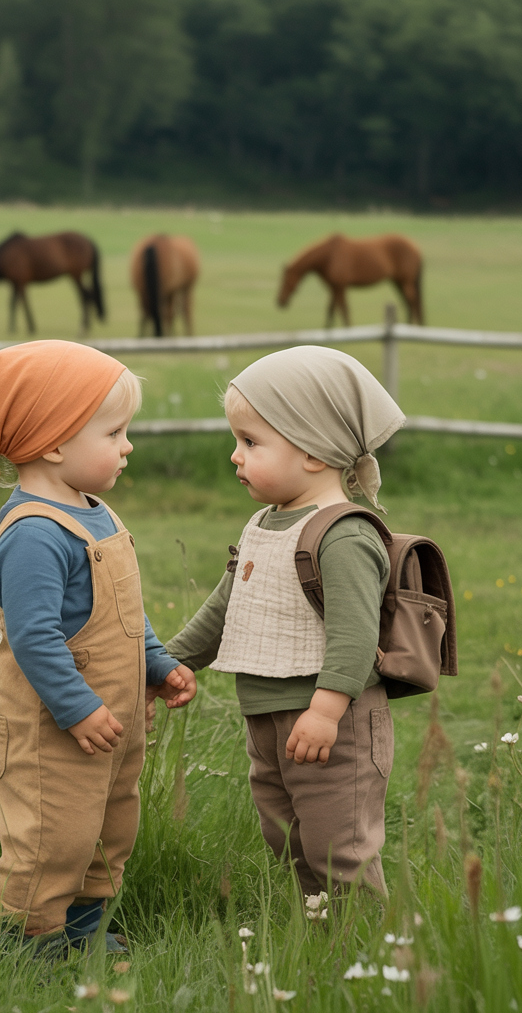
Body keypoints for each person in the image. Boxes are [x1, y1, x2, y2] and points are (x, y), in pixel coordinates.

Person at [0, 340, 197, 954]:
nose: (127, 445)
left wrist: (156, 662)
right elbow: (34, 637)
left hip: (107, 726)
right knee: (51, 840)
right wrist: (77, 708)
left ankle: (81, 938)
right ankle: (23, 945)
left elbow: (121, 614)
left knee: (107, 832)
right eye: (114, 432)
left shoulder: (97, 513)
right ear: (55, 443)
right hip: (50, 731)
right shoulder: (35, 534)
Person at [165, 345, 404, 900]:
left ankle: (361, 945)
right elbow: (228, 606)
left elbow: (354, 633)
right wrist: (171, 659)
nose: (235, 456)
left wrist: (325, 710)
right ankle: (319, 926)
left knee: (336, 838)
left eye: (251, 442)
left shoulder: (343, 534)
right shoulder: (264, 524)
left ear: (314, 453)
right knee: (287, 832)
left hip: (332, 721)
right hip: (269, 716)